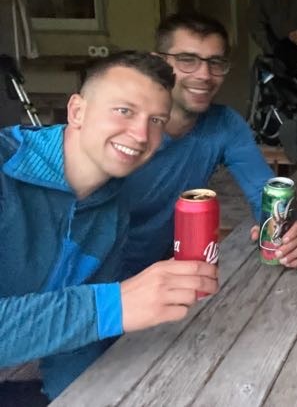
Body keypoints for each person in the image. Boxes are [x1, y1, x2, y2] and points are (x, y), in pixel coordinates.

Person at [0, 52, 218, 403]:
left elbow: (75, 344)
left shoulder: (112, 209)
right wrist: (112, 306)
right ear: (77, 111)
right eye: (124, 111)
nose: (141, 134)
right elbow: (97, 313)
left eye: (156, 120)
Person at [120, 13, 297, 279]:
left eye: (215, 62)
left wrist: (287, 233)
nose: (204, 75)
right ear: (157, 63)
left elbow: (263, 193)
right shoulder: (119, 128)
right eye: (187, 60)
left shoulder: (225, 124)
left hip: (163, 273)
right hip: (96, 284)